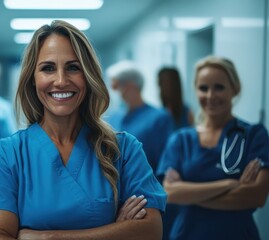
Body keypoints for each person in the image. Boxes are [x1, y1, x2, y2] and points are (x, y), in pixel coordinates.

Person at [0, 20, 166, 239]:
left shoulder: (124, 150)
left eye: (73, 67)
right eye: (48, 68)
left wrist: (47, 237)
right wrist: (115, 231)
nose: (61, 81)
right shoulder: (5, 156)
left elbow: (151, 231)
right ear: (32, 80)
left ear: (88, 76)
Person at [156, 56, 269, 240]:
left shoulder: (254, 135)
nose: (210, 96)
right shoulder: (181, 139)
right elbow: (170, 193)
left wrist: (189, 193)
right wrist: (230, 184)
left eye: (219, 87)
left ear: (235, 88)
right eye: (203, 88)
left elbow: (256, 197)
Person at [105, 60, 175, 173]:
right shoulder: (113, 117)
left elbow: (165, 160)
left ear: (130, 86)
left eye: (116, 87)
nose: (114, 92)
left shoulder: (159, 118)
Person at [157, 66, 194, 240]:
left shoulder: (163, 115)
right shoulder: (185, 112)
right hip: (172, 174)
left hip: (176, 175)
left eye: (160, 84)